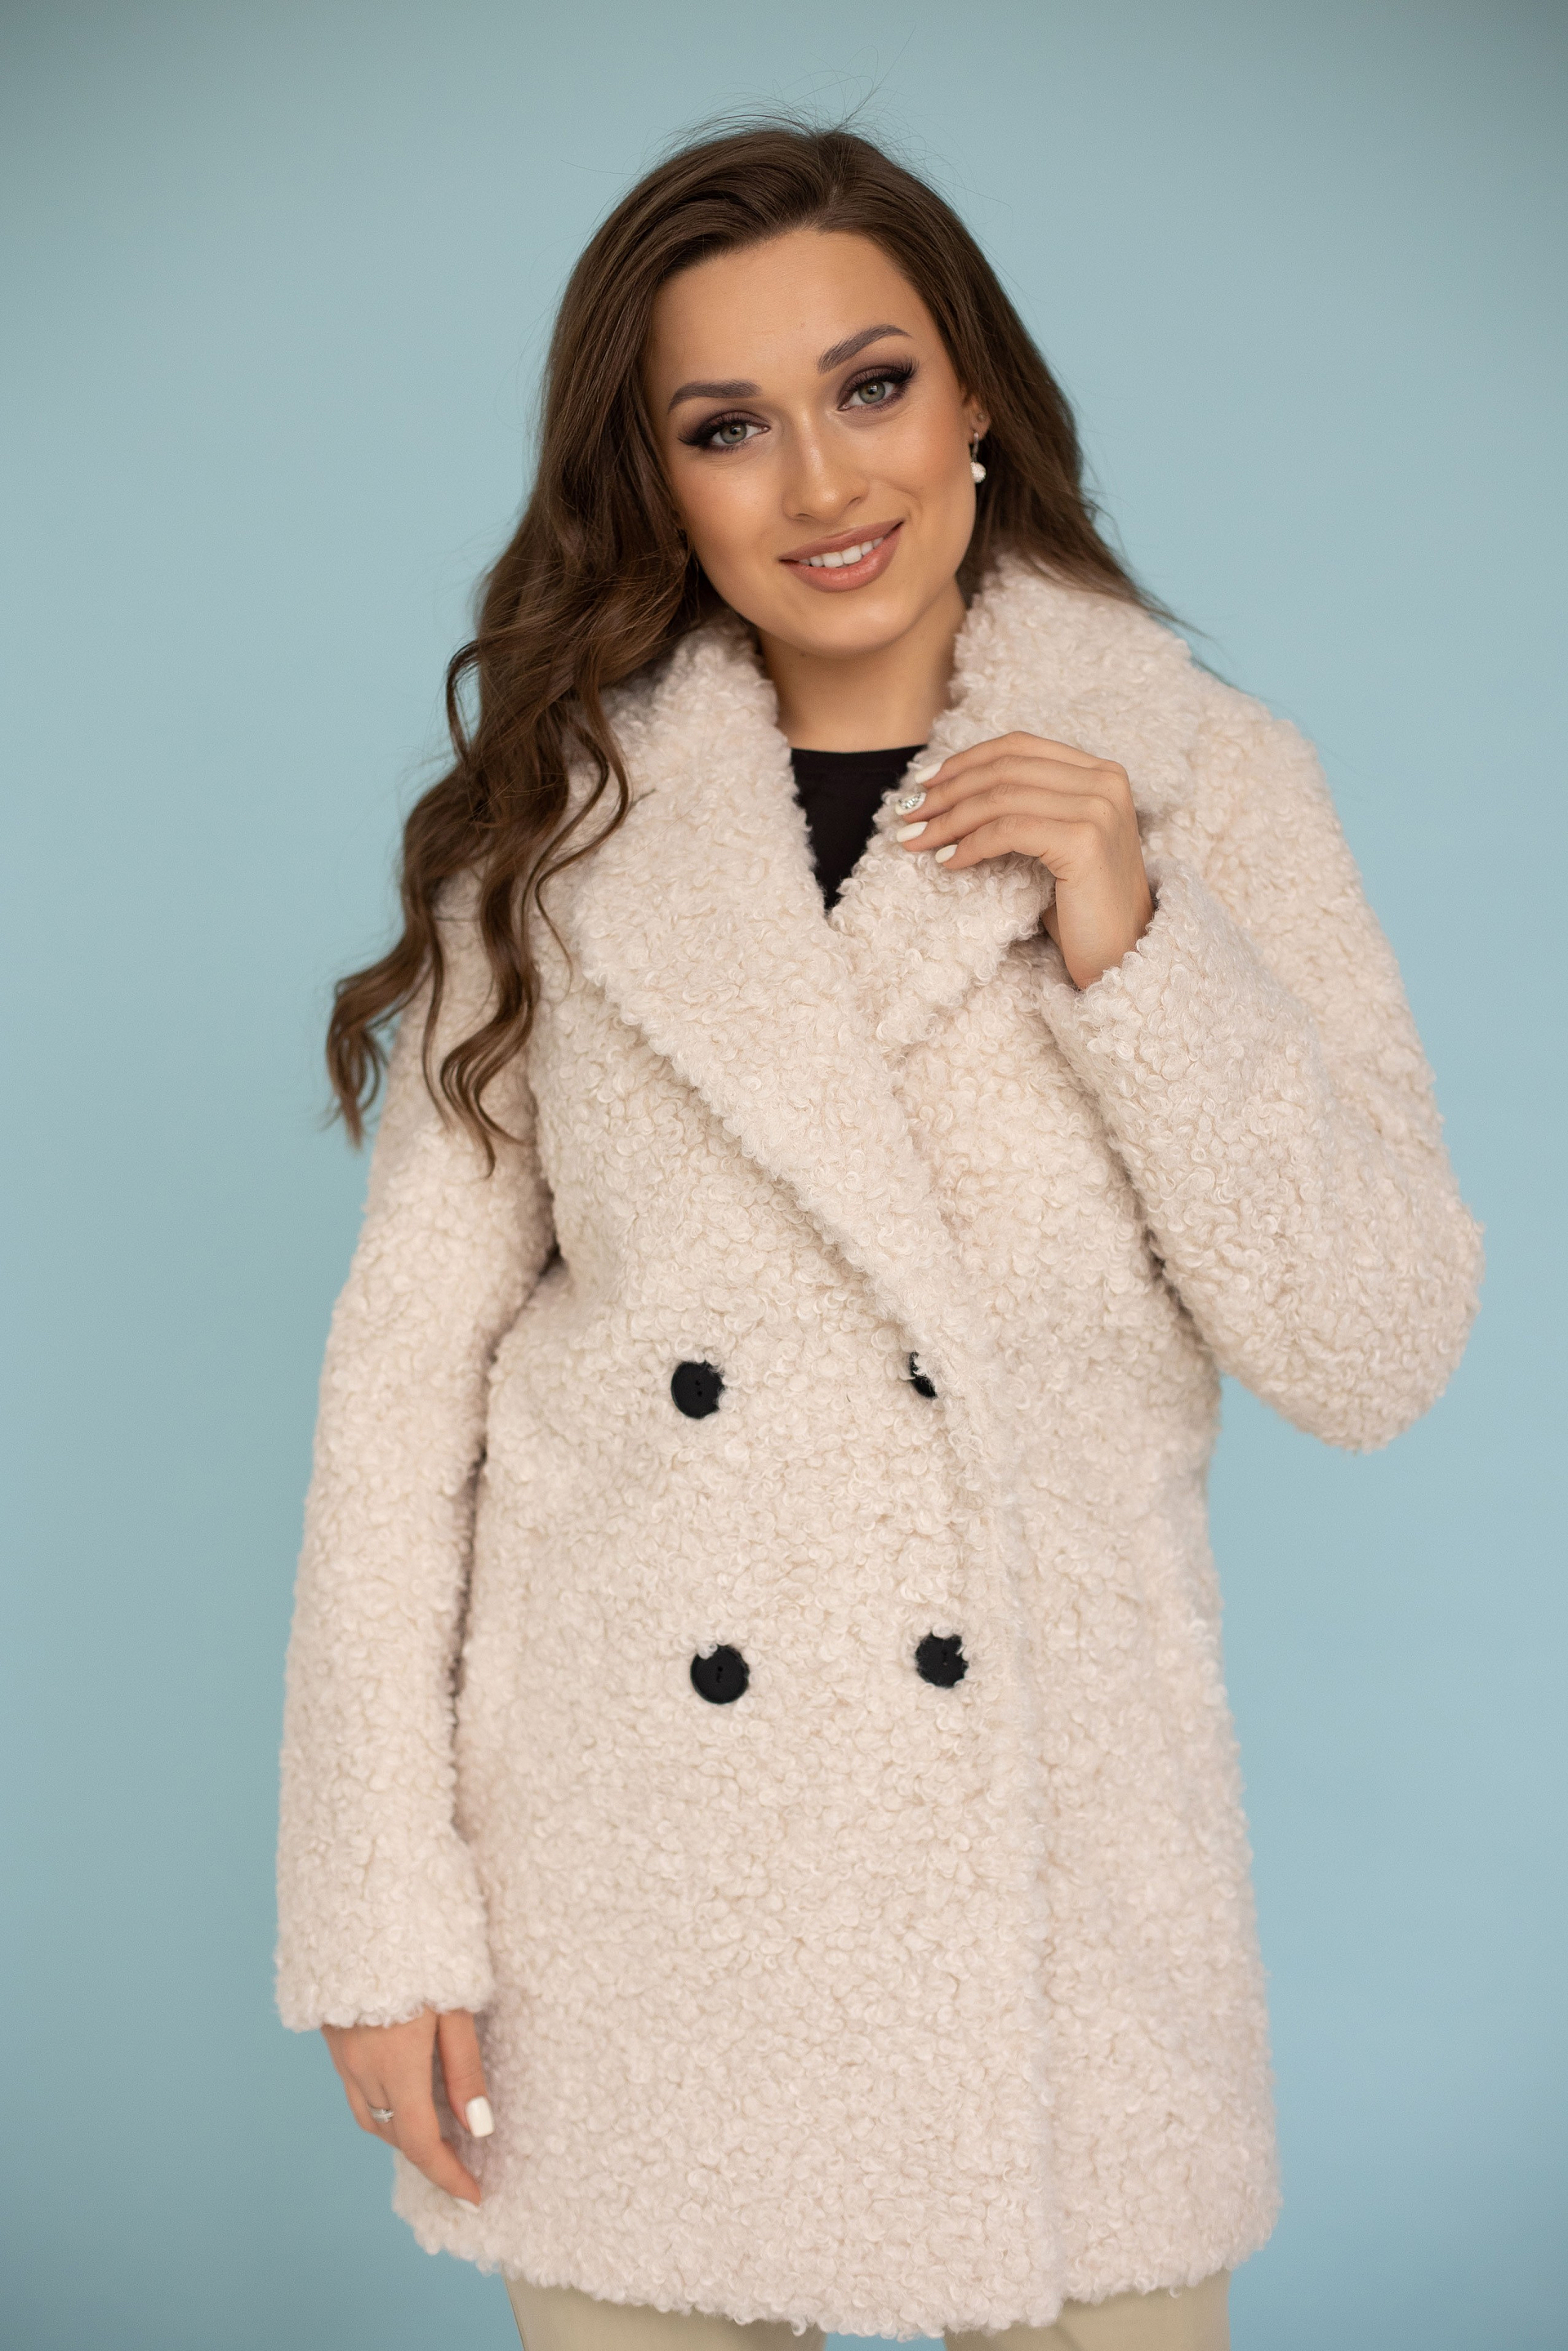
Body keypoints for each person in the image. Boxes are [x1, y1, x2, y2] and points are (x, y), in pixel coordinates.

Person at [276, 122, 1480, 2351]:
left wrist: (1137, 943)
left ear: (976, 397)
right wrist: (377, 1919)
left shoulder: (1202, 781)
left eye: (872, 385)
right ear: (654, 484)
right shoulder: (554, 836)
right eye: (726, 426)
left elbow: (1378, 1345)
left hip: (1063, 1890)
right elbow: (398, 1398)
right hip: (641, 1884)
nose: (823, 482)